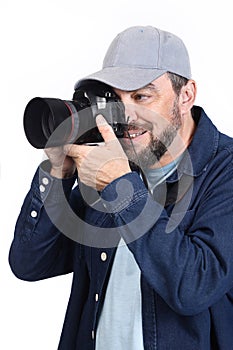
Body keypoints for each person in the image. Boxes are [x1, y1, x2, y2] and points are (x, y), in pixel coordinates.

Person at [9, 25, 233, 350]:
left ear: (186, 95)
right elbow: (29, 263)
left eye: (142, 96)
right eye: (116, 98)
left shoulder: (224, 171)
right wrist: (57, 172)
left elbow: (194, 286)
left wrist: (120, 186)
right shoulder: (112, 167)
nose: (126, 115)